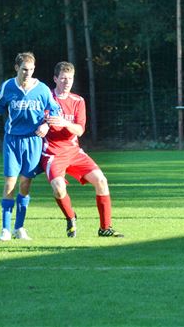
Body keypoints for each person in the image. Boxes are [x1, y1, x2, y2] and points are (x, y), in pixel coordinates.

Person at [0, 52, 61, 241]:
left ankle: (19, 228)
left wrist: (46, 124)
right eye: (25, 69)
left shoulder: (42, 89)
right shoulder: (8, 86)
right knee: (10, 183)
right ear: (17, 68)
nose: (28, 72)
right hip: (12, 140)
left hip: (33, 141)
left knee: (25, 184)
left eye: (32, 69)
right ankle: (5, 229)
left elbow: (55, 109)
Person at [40, 62, 124, 238]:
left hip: (74, 151)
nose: (66, 82)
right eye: (63, 78)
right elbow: (37, 122)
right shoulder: (45, 99)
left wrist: (64, 123)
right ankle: (71, 217)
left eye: (70, 79)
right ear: (55, 79)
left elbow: (79, 130)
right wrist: (42, 127)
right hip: (53, 153)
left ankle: (105, 228)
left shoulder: (78, 101)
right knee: (58, 188)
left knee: (101, 180)